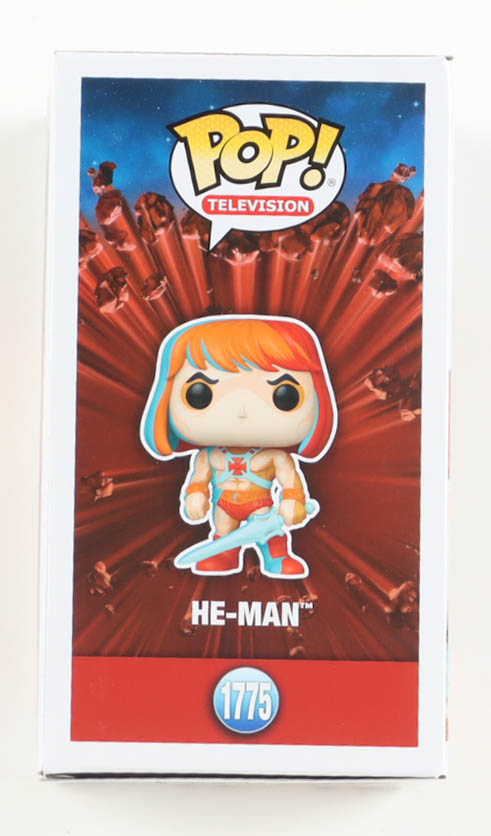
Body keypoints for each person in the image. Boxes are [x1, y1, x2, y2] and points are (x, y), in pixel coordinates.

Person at [141, 315, 337, 578]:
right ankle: (224, 554)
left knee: (270, 534)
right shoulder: (208, 456)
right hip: (223, 505)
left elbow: (290, 482)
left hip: (262, 507)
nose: (242, 411)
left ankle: (277, 555)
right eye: (200, 394)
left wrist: (293, 501)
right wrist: (195, 495)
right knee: (223, 531)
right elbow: (199, 479)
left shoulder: (275, 457)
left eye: (285, 396)